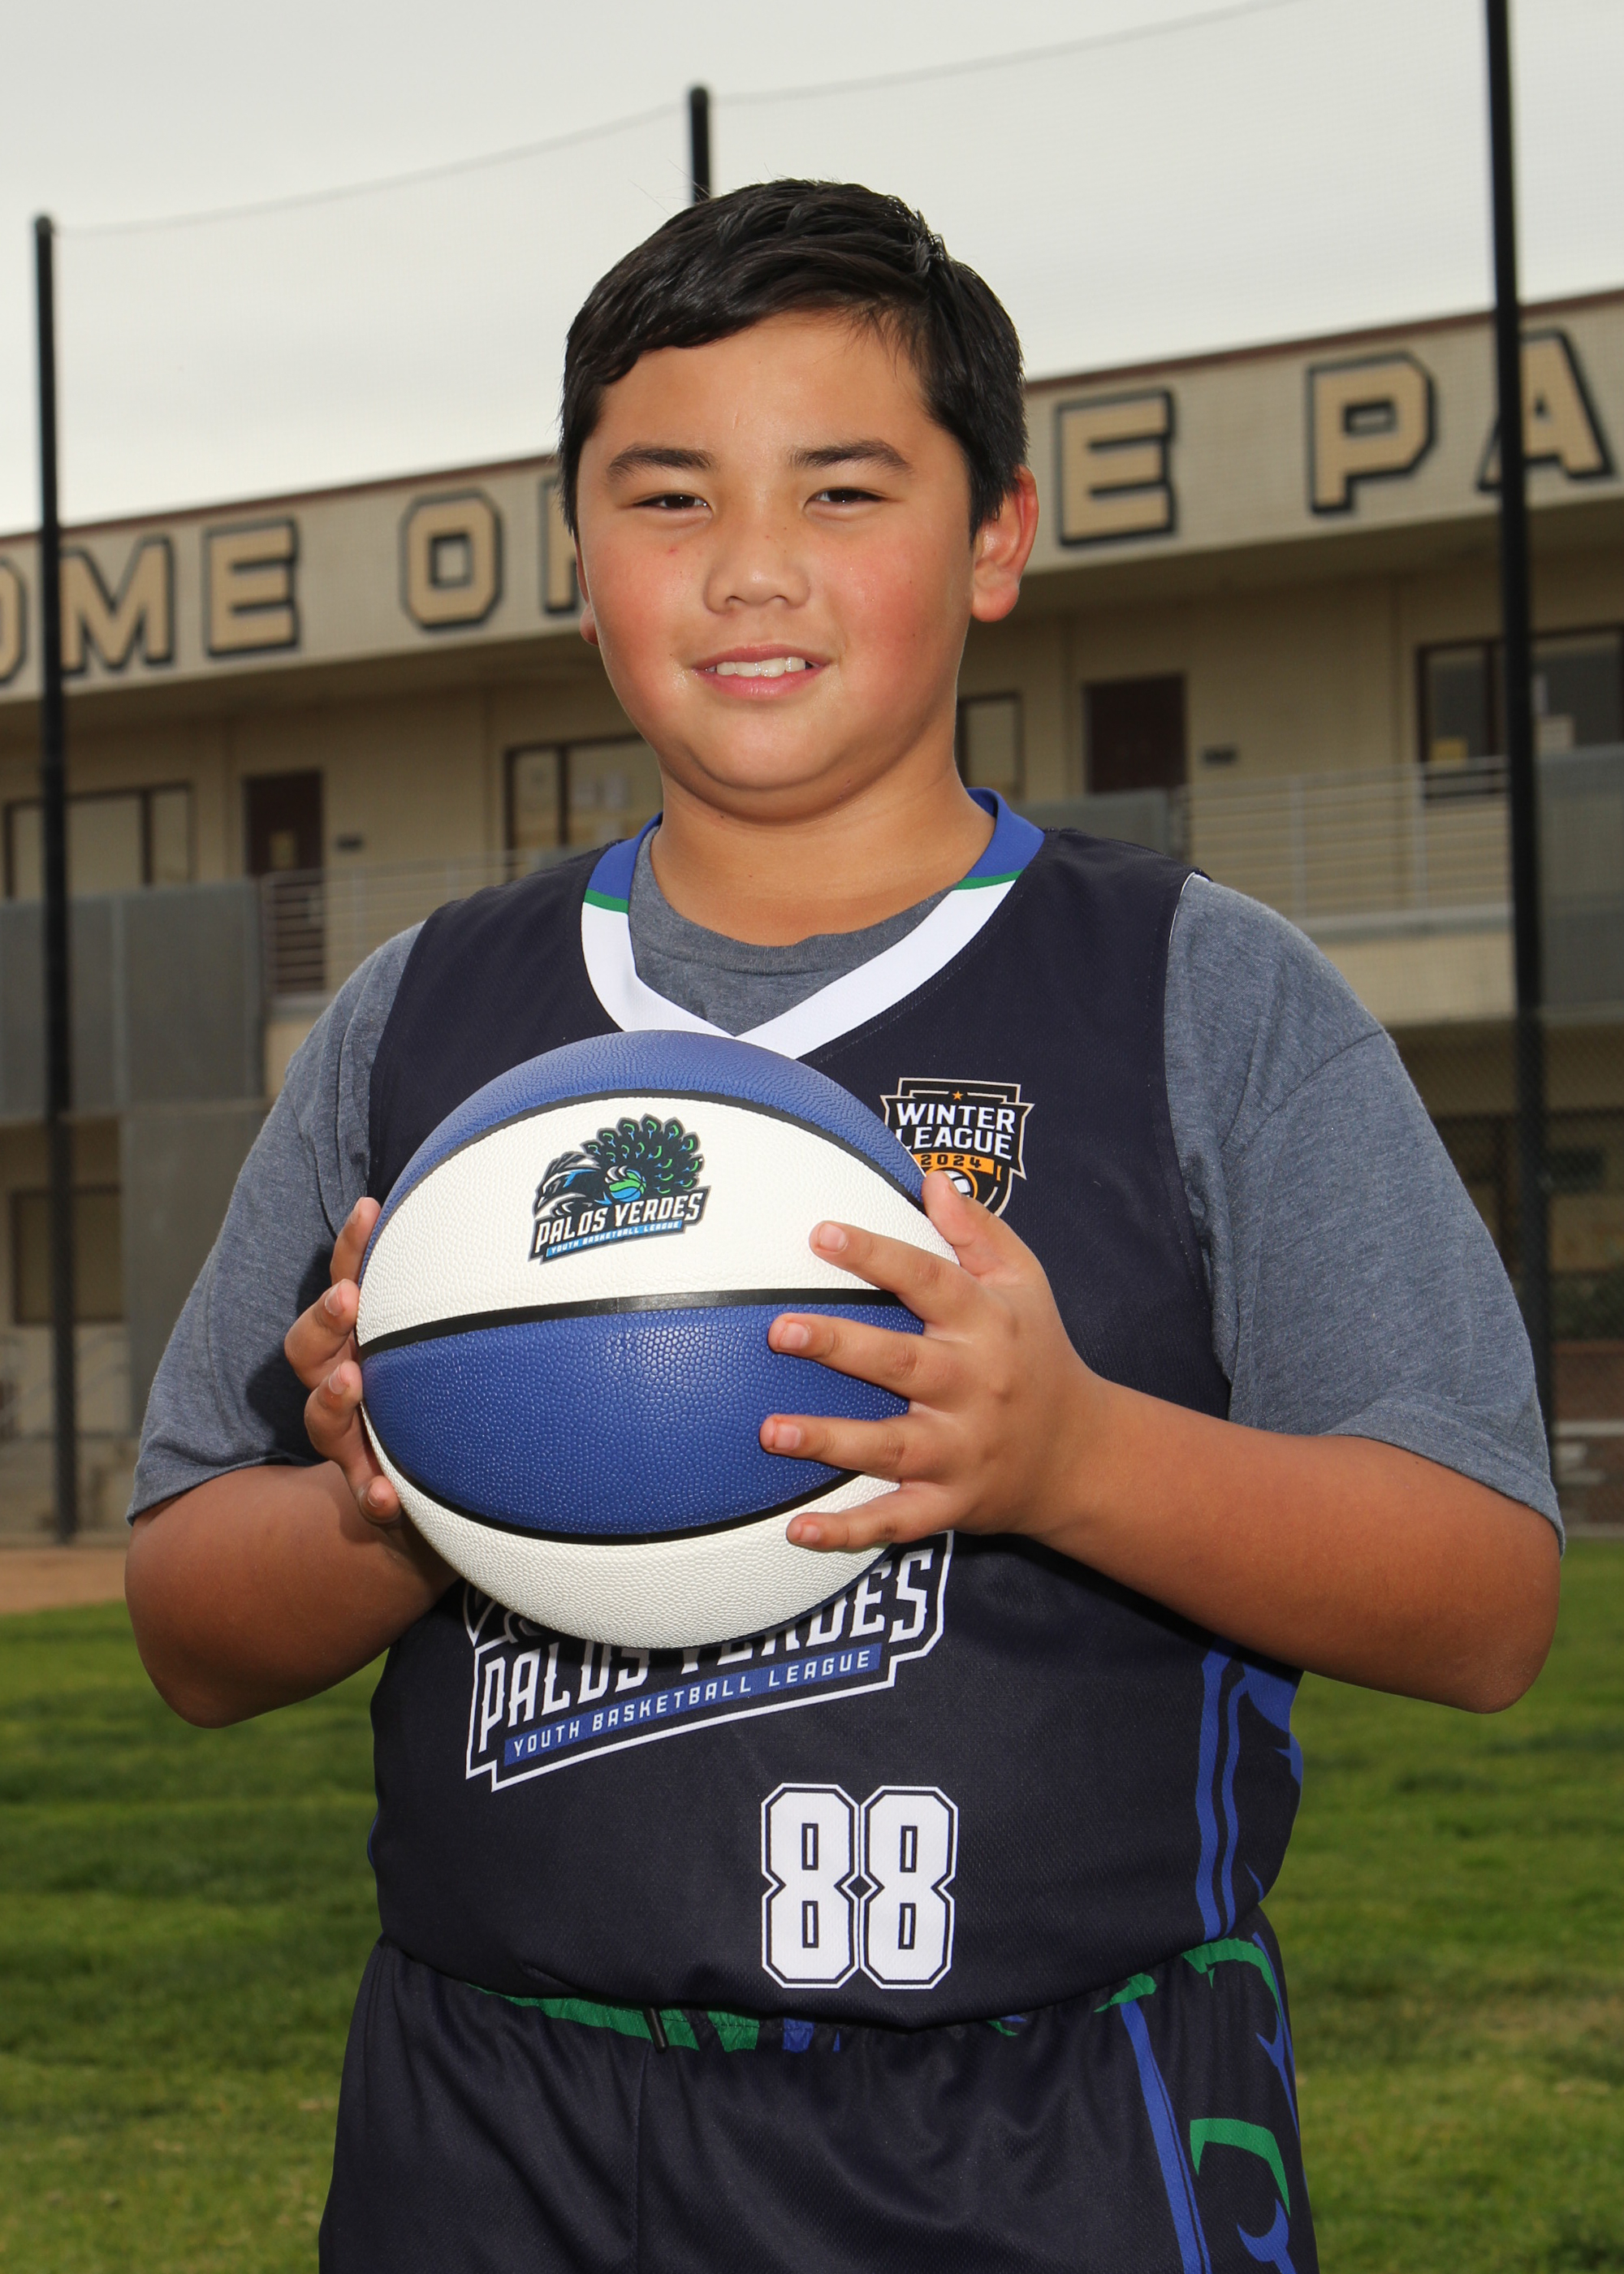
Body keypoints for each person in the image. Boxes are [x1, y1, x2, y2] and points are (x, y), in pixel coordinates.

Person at [124, 181, 1561, 2274]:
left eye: (844, 488)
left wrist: (1076, 1456)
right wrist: (400, 1498)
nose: (752, 566)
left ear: (997, 538)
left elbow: (1486, 1599)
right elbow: (186, 1623)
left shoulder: (1199, 990)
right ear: (579, 556)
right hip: (491, 2129)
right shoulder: (421, 1021)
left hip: (1040, 2133)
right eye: (669, 497)